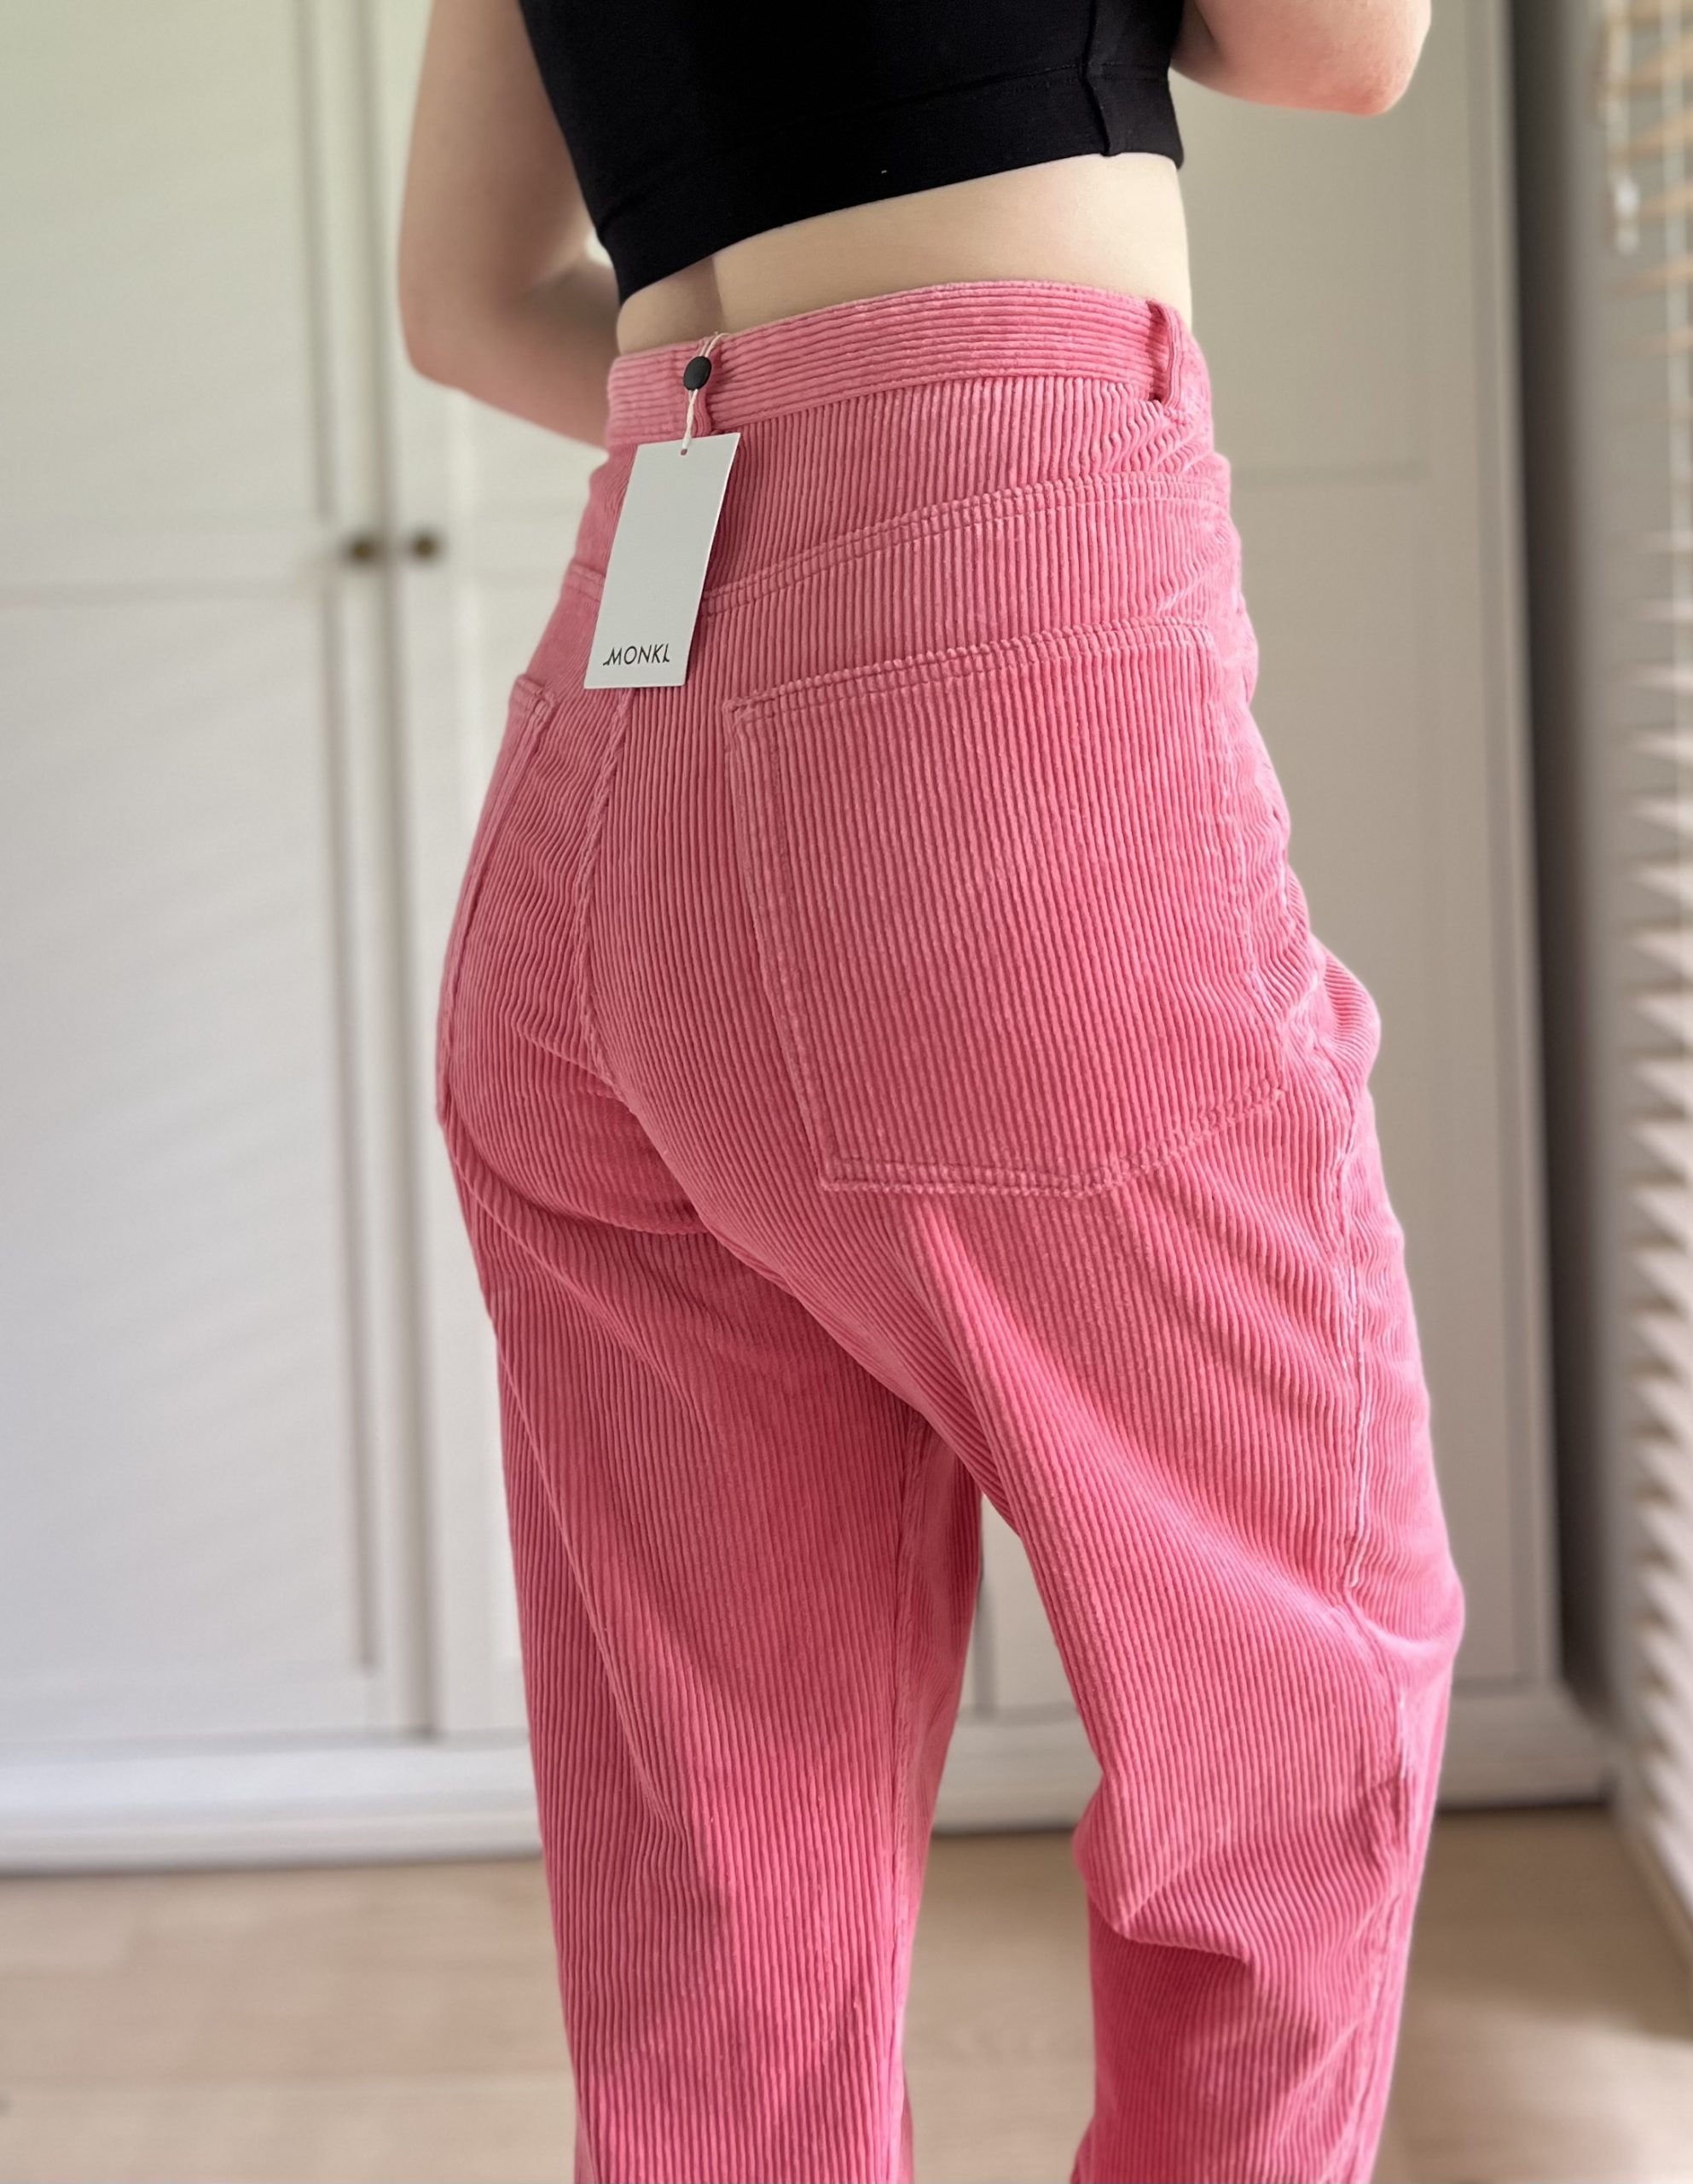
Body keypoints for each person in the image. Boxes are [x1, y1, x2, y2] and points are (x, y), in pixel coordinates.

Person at [398, 3, 1464, 2179]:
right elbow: (1338, 47)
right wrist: (895, 437)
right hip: (980, 645)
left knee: (725, 1856)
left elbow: (465, 302)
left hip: (618, 724)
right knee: (1294, 1696)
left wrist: (786, 441)